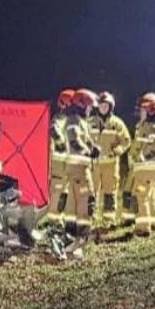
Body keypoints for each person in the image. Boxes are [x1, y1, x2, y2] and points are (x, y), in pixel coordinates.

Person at [127, 93, 155, 236]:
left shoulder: (154, 126)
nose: (140, 112)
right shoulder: (153, 125)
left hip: (146, 167)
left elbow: (152, 147)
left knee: (141, 195)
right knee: (150, 195)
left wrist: (139, 158)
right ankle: (152, 222)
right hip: (151, 167)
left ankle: (143, 228)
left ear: (151, 109)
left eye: (143, 109)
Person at [90, 92, 132, 227]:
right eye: (101, 105)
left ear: (110, 106)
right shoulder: (90, 122)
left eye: (106, 105)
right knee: (91, 192)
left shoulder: (117, 123)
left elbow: (126, 140)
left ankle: (108, 220)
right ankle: (91, 218)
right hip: (94, 164)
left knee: (110, 192)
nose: (103, 107)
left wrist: (115, 152)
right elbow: (83, 139)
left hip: (110, 164)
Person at [62, 89, 99, 234]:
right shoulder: (74, 120)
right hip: (79, 167)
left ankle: (70, 226)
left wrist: (93, 146)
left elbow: (84, 140)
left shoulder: (77, 120)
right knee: (85, 195)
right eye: (89, 107)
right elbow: (75, 141)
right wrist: (89, 152)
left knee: (73, 196)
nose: (90, 110)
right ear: (81, 105)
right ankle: (83, 228)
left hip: (75, 166)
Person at [45, 89, 75, 224]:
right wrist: (62, 143)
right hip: (59, 161)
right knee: (57, 189)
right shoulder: (58, 119)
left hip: (70, 161)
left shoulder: (73, 120)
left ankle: (62, 215)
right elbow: (54, 131)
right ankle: (54, 218)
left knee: (66, 190)